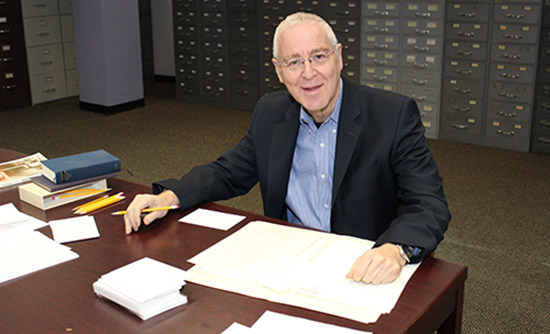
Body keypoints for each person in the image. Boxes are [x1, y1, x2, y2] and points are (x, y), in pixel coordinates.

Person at [124, 12, 450, 285]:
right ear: (279, 71)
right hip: (289, 260)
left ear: (339, 57)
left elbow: (429, 203)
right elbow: (228, 172)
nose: (308, 74)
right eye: (294, 62)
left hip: (359, 265)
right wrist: (169, 196)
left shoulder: (392, 115)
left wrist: (395, 249)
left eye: (318, 57)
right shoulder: (271, 112)